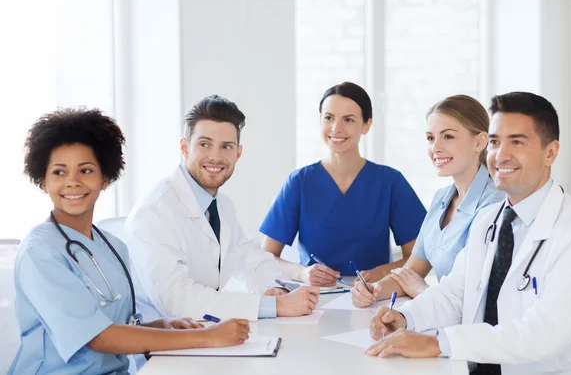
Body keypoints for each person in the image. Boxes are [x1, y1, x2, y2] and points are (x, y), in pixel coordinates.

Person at [365, 92, 571, 375]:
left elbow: (543, 333)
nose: (500, 155)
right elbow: (455, 293)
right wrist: (405, 317)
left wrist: (438, 343)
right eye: (495, 142)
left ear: (550, 152)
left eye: (516, 142)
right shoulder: (489, 220)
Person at [9, 108, 250, 375]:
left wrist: (160, 325)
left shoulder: (112, 246)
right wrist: (208, 336)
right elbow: (99, 337)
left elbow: (118, 326)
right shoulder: (40, 251)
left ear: (104, 179)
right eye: (59, 172)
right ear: (42, 181)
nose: (73, 182)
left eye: (86, 170)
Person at [126, 95, 319, 323]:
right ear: (185, 147)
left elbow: (251, 259)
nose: (216, 157)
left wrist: (273, 288)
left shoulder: (221, 205)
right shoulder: (155, 210)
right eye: (204, 144)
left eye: (226, 146)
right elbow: (177, 301)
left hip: (205, 334)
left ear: (238, 153)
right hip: (159, 348)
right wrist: (272, 306)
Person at [260, 82, 426, 287]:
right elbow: (265, 257)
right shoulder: (300, 182)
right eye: (328, 118)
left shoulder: (390, 182)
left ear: (366, 125)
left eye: (348, 120)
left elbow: (419, 258)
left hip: (375, 295)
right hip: (313, 299)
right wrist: (302, 273)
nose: (336, 128)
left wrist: (382, 272)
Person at [351, 95, 504, 307]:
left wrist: (423, 291)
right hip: (441, 317)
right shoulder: (442, 198)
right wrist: (375, 290)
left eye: (448, 136)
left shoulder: (497, 204)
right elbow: (412, 271)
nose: (435, 148)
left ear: (479, 141)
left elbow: (479, 298)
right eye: (430, 138)